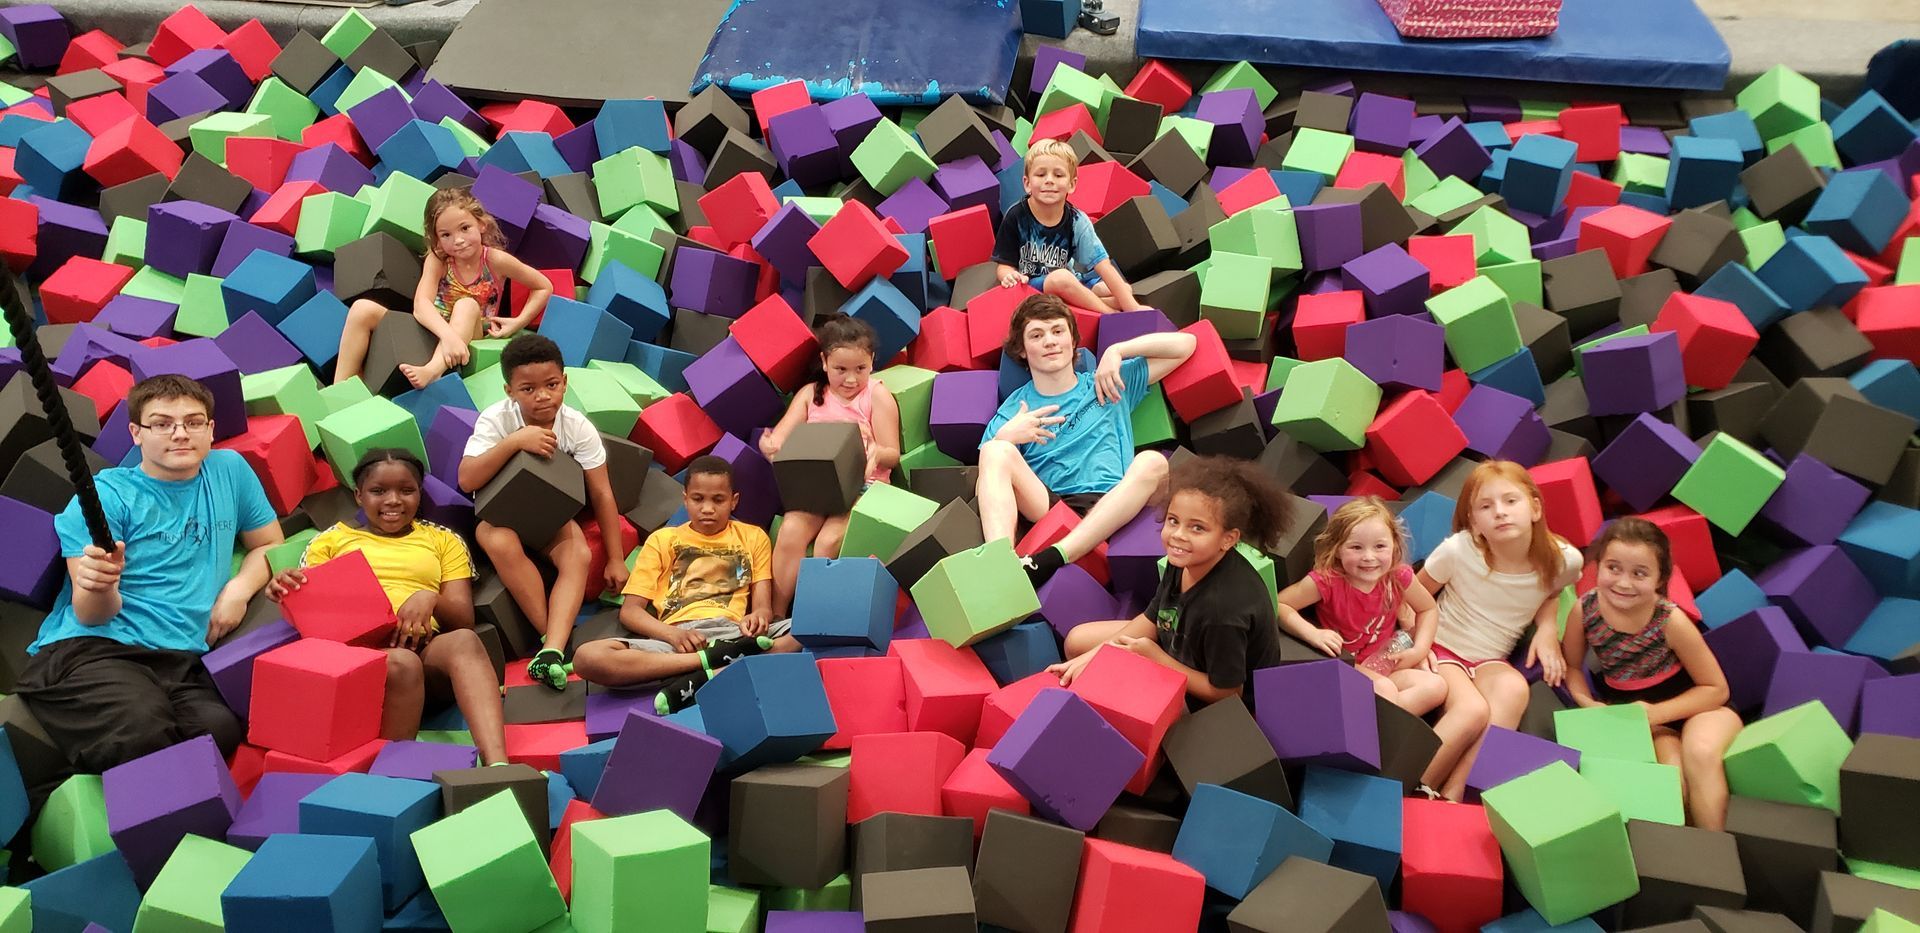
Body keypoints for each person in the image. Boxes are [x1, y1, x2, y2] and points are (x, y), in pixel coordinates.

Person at [16, 375, 282, 774]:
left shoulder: (229, 471)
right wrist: (100, 584)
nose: (180, 434)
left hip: (179, 658)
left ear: (210, 430)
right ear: (136, 433)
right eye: (161, 423)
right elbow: (92, 614)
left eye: (193, 422)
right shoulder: (106, 496)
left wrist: (238, 591)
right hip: (93, 649)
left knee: (219, 731)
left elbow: (270, 544)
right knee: (143, 730)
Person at [265, 449, 508, 767]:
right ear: (359, 495)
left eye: (406, 490)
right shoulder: (332, 541)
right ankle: (391, 777)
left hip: (426, 650)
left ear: (419, 494)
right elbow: (313, 624)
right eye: (378, 491)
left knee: (464, 641)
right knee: (401, 664)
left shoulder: (443, 540)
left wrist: (429, 597)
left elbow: (463, 618)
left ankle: (499, 765)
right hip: (360, 659)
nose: (393, 500)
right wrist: (285, 590)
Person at [978, 294, 1194, 586]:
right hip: (1055, 507)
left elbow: (1186, 345)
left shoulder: (1108, 381)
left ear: (1073, 340)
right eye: (1037, 335)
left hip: (1116, 501)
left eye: (1057, 331)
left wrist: (1117, 351)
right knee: (994, 450)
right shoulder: (1014, 410)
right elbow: (985, 483)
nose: (1050, 341)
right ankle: (1001, 567)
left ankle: (1055, 557)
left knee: (1153, 462)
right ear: (1022, 350)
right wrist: (1008, 437)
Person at [1046, 456, 1290, 711]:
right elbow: (1154, 617)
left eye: (1197, 528)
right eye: (1173, 521)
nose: (1178, 535)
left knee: (1119, 694)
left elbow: (1228, 693)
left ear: (1228, 539)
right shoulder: (1184, 560)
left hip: (1214, 699)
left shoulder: (1223, 610)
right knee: (1077, 642)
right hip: (1178, 645)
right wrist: (1097, 655)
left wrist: (1154, 658)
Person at [457, 333, 629, 690]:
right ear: (509, 391)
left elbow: (602, 492)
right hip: (502, 517)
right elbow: (466, 478)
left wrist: (615, 559)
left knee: (578, 552)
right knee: (495, 538)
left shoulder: (577, 426)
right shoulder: (496, 420)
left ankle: (551, 648)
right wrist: (514, 442)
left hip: (550, 517)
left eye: (551, 385)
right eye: (528, 389)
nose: (542, 396)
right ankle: (553, 641)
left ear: (565, 382)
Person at [572, 456, 802, 712]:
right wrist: (673, 634)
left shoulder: (753, 536)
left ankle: (707, 677)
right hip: (678, 640)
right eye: (698, 499)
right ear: (685, 498)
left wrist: (758, 616)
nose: (707, 508)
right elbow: (631, 612)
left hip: (735, 635)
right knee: (586, 658)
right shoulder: (663, 540)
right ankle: (709, 665)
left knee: (811, 626)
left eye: (718, 500)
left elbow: (762, 606)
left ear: (734, 500)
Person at [1417, 460, 1584, 800]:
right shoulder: (1458, 551)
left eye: (1511, 501)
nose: (1500, 512)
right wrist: (1417, 651)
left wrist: (1547, 629)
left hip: (1490, 658)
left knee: (1514, 688)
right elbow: (1413, 600)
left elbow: (1552, 593)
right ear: (1475, 523)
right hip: (1443, 648)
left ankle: (1458, 793)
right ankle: (1417, 785)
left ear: (1534, 507)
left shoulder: (1565, 561)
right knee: (1472, 710)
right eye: (1485, 506)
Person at [1562, 518, 1743, 830]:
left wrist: (1655, 713)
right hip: (1636, 716)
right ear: (1598, 567)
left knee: (1699, 754)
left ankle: (1717, 853)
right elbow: (1573, 667)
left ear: (1660, 579)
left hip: (1696, 706)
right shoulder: (1585, 610)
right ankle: (1685, 854)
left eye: (1639, 573)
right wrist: (1585, 702)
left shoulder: (1670, 620)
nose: (1623, 583)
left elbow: (1716, 688)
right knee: (1670, 778)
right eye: (1613, 568)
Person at [334, 186, 554, 390]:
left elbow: (543, 286)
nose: (458, 240)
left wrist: (518, 322)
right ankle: (340, 389)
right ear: (436, 239)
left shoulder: (495, 260)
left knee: (466, 305)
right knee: (362, 308)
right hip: (436, 330)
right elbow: (421, 305)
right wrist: (447, 336)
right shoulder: (439, 259)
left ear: (481, 224)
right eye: (446, 235)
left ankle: (433, 371)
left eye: (465, 228)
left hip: (469, 335)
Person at [758, 315, 902, 617]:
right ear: (824, 362)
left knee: (828, 542)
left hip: (864, 487)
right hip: (817, 488)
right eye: (841, 370)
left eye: (860, 369)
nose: (851, 379)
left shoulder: (876, 394)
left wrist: (875, 453)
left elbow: (893, 453)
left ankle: (814, 617)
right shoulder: (811, 394)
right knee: (790, 533)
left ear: (872, 362)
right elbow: (779, 440)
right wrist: (769, 446)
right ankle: (777, 615)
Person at [1277, 496, 1447, 716]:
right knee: (1385, 690)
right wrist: (1312, 633)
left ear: (1394, 545)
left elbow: (1428, 609)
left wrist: (1420, 649)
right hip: (1348, 666)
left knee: (1436, 686)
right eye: (1356, 547)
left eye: (1379, 546)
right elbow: (1281, 604)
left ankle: (1374, 728)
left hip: (1386, 660)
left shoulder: (1399, 576)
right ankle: (1373, 732)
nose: (1369, 557)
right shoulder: (1327, 581)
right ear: (1337, 548)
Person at [992, 138, 1144, 313]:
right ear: (1027, 183)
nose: (1049, 180)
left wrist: (1133, 307)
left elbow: (1103, 265)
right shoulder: (1016, 216)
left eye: (1058, 175)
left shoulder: (1076, 220)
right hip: (1032, 288)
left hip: (1072, 283)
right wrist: (1009, 276)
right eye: (1041, 174)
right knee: (1061, 278)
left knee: (1124, 290)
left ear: (1071, 184)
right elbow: (1003, 265)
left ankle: (1083, 303)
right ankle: (1109, 313)